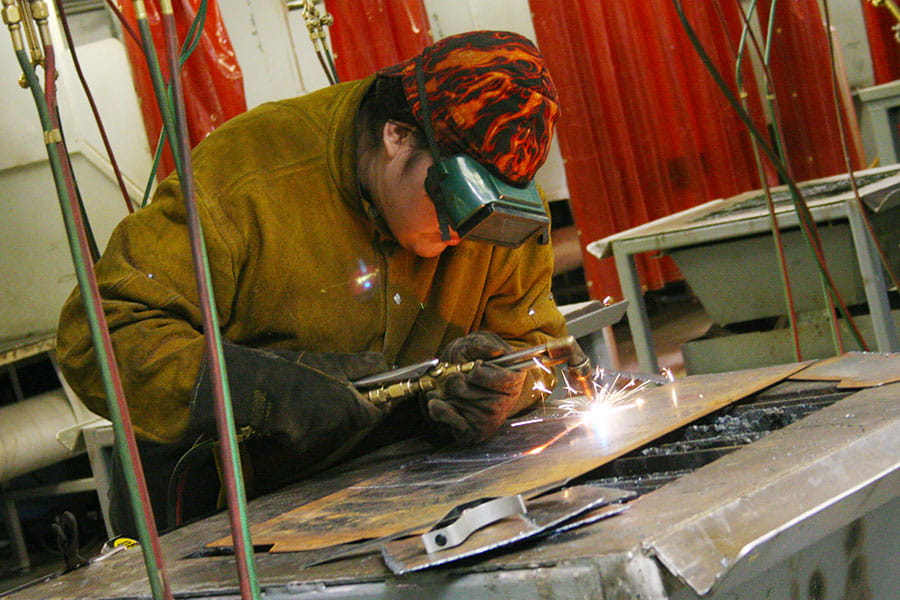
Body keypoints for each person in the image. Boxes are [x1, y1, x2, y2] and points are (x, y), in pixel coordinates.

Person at [56, 30, 567, 531]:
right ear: (398, 136)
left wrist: (504, 392)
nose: (460, 232)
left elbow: (538, 349)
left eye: (485, 211)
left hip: (389, 490)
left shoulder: (503, 201)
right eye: (452, 198)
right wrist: (262, 389)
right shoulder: (249, 178)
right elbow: (98, 336)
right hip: (220, 514)